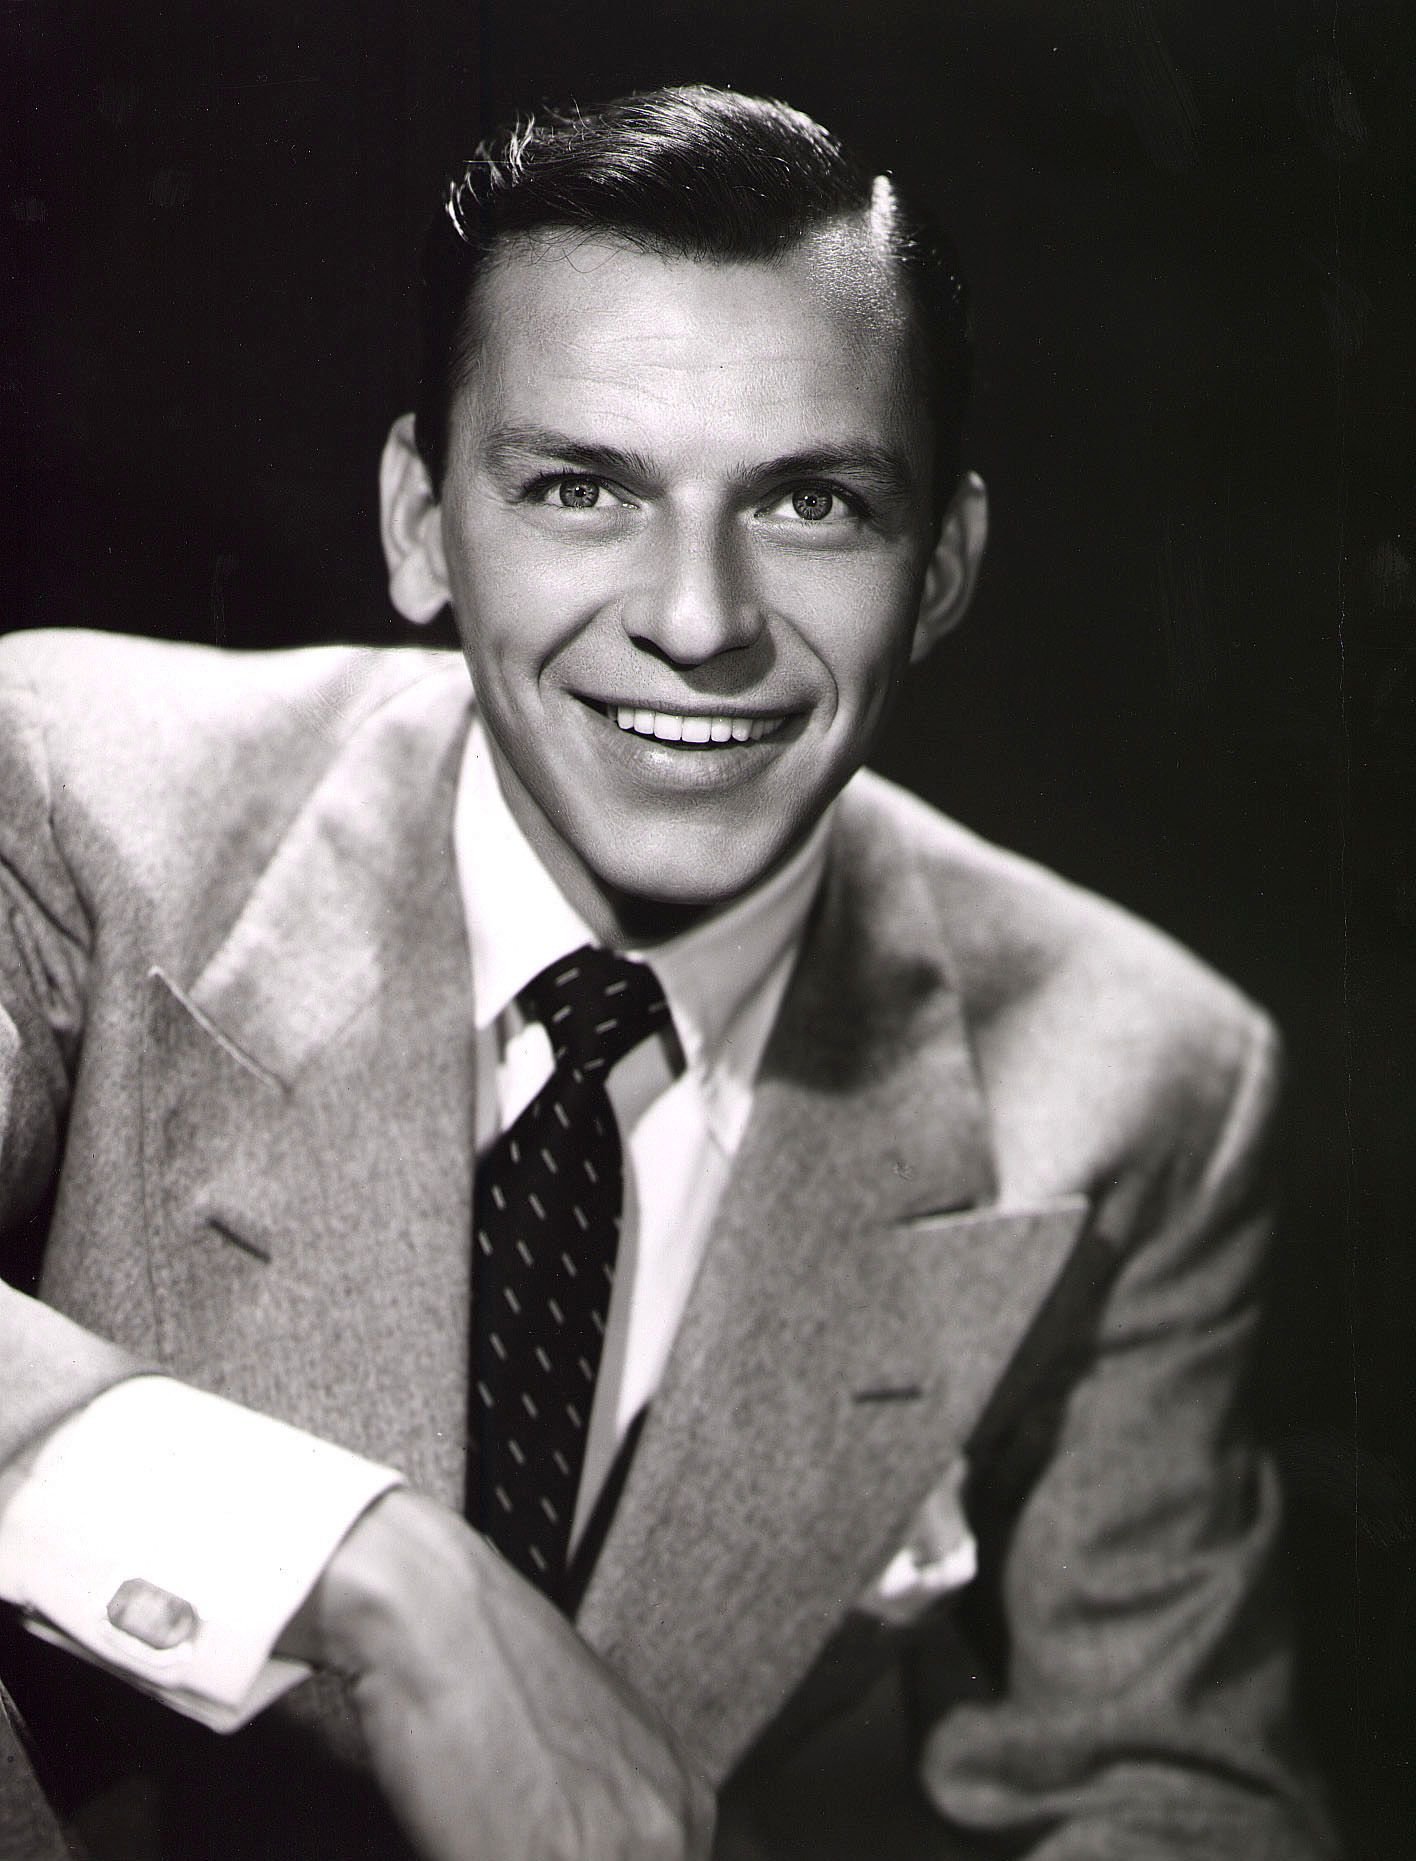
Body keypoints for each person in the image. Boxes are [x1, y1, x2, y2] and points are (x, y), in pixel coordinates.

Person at [0, 84, 1334, 1860]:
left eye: (809, 503)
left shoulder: (1133, 1074)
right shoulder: (73, 786)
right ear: (419, 522)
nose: (696, 618)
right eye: (579, 486)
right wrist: (373, 1568)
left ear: (940, 566)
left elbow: (1170, 1794)